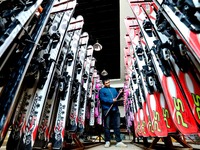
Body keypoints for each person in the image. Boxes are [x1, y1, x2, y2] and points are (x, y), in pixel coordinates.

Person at [99, 78, 127, 148]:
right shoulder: (101, 90)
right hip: (107, 109)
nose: (108, 84)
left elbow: (117, 97)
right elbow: (102, 99)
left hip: (115, 109)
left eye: (109, 82)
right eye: (106, 83)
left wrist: (120, 93)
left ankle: (118, 141)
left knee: (117, 125)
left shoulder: (113, 89)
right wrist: (111, 100)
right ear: (104, 84)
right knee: (107, 126)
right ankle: (107, 141)